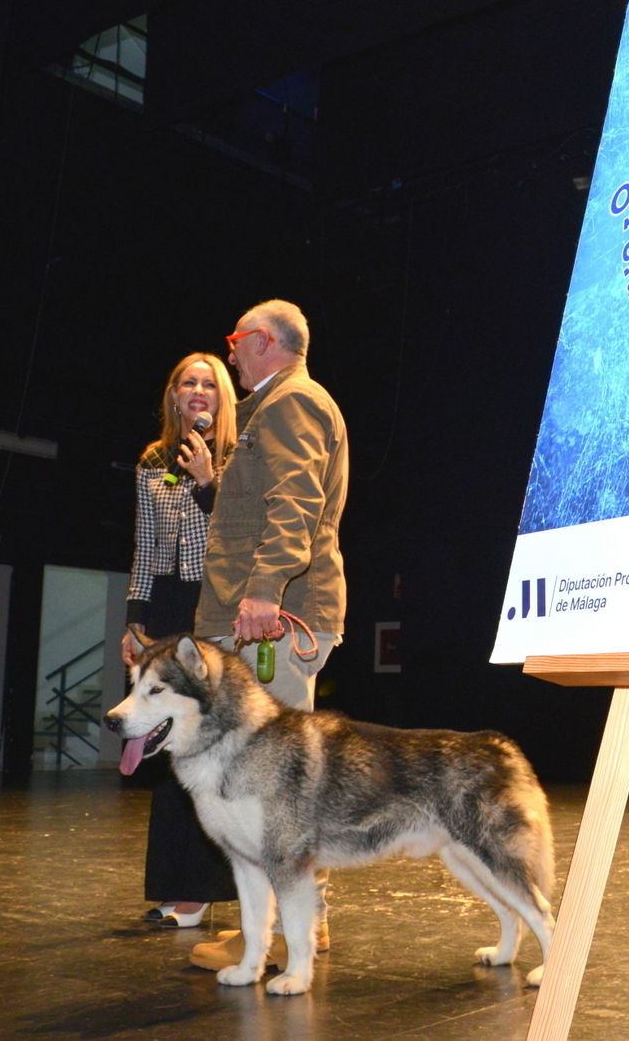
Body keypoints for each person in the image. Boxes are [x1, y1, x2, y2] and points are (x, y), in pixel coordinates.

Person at [186, 298, 349, 972]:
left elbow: (296, 499)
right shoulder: (277, 406)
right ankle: (287, 924)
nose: (229, 353)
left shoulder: (292, 402)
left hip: (273, 620)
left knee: (276, 783)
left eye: (235, 339)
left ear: (265, 340)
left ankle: (288, 931)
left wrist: (264, 589)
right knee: (269, 781)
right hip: (264, 615)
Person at [121, 352, 240, 929]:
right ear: (173, 396)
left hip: (212, 604)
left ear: (222, 398)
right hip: (164, 608)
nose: (198, 391)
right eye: (188, 382)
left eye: (209, 383)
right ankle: (174, 886)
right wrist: (133, 620)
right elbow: (145, 546)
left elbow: (235, 539)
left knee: (205, 749)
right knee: (164, 747)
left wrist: (208, 484)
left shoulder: (237, 456)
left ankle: (203, 891)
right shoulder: (152, 461)